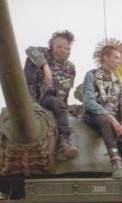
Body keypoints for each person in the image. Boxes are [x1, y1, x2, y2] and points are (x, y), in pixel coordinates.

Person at [83, 43, 122, 179]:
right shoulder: (91, 75)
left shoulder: (117, 80)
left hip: (114, 118)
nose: (119, 61)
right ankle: (116, 162)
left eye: (119, 58)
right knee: (106, 122)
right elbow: (88, 101)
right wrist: (111, 118)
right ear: (105, 58)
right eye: (116, 57)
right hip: (95, 115)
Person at [24, 30, 79, 161]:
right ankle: (29, 100)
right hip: (35, 94)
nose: (69, 52)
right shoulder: (43, 53)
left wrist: (65, 109)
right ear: (56, 48)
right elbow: (30, 50)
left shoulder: (70, 67)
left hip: (50, 99)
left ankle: (64, 141)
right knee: (31, 60)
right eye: (67, 48)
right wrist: (45, 66)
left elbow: (65, 92)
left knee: (60, 105)